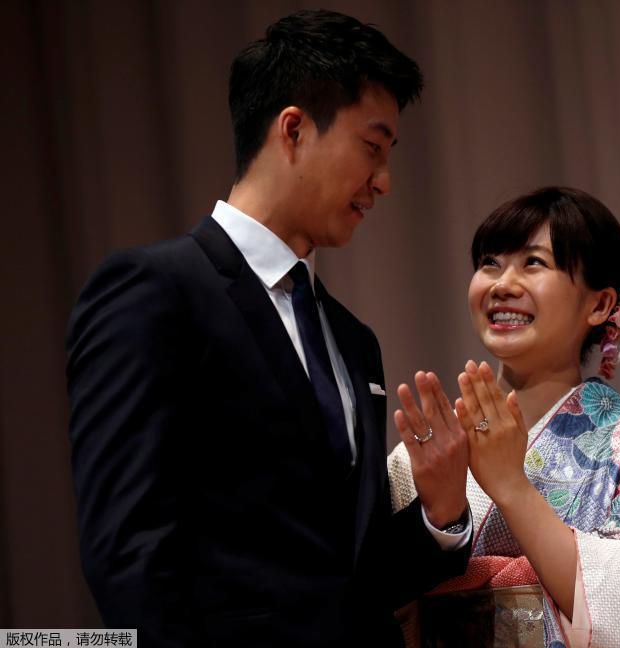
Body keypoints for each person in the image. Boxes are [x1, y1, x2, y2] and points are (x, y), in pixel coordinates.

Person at [66, 10, 470, 647]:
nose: (384, 182)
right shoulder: (154, 292)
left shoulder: (354, 340)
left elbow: (348, 573)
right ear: (294, 130)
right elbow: (128, 553)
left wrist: (441, 515)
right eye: (372, 147)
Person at [389, 187, 620, 647]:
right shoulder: (424, 452)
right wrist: (440, 518)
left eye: (533, 263)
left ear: (598, 305)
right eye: (490, 262)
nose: (502, 284)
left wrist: (513, 488)